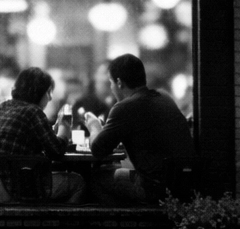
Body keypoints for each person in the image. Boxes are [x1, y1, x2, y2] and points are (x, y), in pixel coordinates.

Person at [82, 53, 196, 205]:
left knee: (95, 179)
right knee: (114, 172)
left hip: (155, 189)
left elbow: (97, 150)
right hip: (185, 184)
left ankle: (126, 225)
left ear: (119, 82)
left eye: (111, 83)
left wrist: (94, 125)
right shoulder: (164, 97)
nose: (111, 88)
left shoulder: (124, 107)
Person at [0, 66, 86, 204]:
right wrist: (65, 127)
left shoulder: (3, 107)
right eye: (48, 92)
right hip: (18, 187)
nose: (51, 97)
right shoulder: (33, 112)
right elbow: (57, 151)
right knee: (78, 183)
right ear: (39, 92)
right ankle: (62, 224)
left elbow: (36, 140)